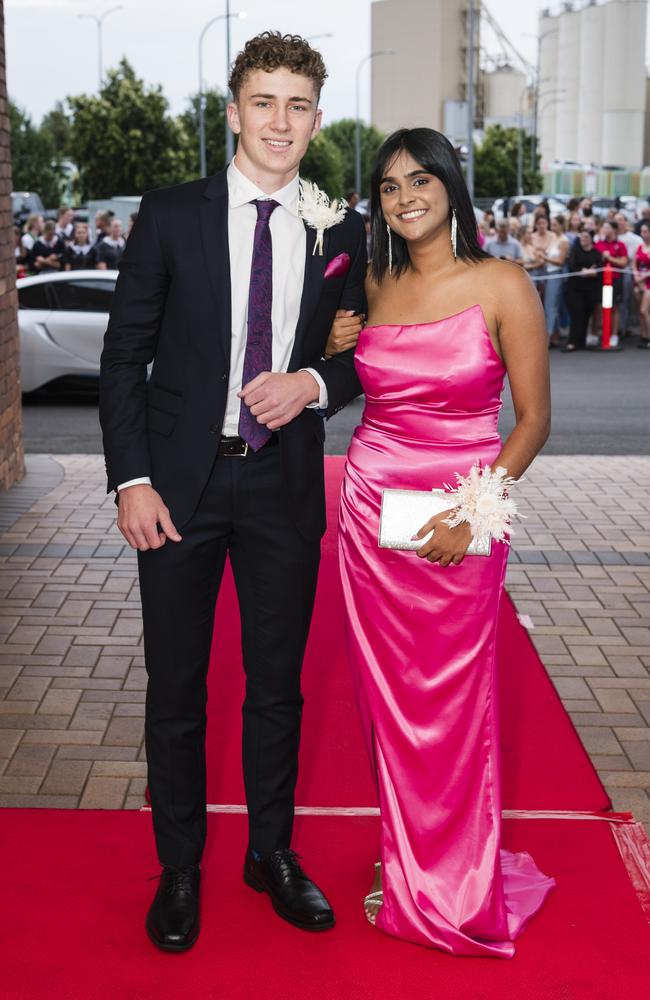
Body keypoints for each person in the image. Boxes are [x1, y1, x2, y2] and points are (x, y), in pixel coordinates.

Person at [99, 31, 366, 954]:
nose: (280, 121)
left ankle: (271, 853)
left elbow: (361, 355)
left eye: (297, 104)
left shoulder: (343, 229)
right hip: (177, 488)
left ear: (317, 119)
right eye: (264, 101)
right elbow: (122, 356)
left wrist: (314, 386)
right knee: (175, 689)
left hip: (282, 486)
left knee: (277, 688)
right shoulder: (171, 214)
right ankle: (180, 867)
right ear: (234, 113)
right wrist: (131, 479)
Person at [338, 127, 555, 957]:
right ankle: (406, 862)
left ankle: (456, 879)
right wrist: (331, 351)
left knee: (454, 702)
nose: (405, 198)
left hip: (464, 515)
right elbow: (336, 381)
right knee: (388, 709)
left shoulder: (502, 282)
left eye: (420, 180)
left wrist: (474, 511)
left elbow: (533, 422)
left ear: (450, 186)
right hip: (371, 516)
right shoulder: (370, 285)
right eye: (389, 188)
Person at [562, 228, 602, 352]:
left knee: (586, 315)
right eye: (582, 237)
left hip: (590, 289)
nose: (584, 239)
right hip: (575, 289)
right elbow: (572, 267)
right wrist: (584, 271)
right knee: (577, 314)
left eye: (586, 237)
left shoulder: (596, 253)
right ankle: (572, 342)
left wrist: (591, 272)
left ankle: (582, 341)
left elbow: (599, 269)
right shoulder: (574, 251)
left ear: (591, 239)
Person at [594, 220, 628, 344]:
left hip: (615, 280)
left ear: (614, 230)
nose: (605, 230)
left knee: (614, 307)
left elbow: (623, 262)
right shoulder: (598, 244)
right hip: (600, 280)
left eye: (608, 227)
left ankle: (614, 334)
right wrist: (602, 257)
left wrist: (610, 258)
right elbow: (595, 260)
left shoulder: (620, 245)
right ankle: (602, 332)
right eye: (604, 227)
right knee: (600, 307)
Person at [541, 215, 570, 347]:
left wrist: (545, 259)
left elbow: (560, 262)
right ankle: (555, 336)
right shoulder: (553, 237)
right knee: (550, 306)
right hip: (548, 273)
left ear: (561, 225)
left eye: (555, 224)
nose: (552, 227)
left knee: (550, 307)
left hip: (555, 275)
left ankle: (548, 336)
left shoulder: (564, 240)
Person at [614, 213, 642, 337]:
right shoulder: (610, 236)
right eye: (616, 220)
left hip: (626, 272)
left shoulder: (634, 239)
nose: (619, 223)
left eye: (621, 220)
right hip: (611, 274)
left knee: (624, 301)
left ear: (625, 222)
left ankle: (624, 327)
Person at [632, 221, 650, 349]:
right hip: (639, 282)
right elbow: (634, 263)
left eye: (645, 231)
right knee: (640, 311)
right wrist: (636, 275)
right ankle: (644, 335)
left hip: (648, 282)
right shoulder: (639, 247)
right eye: (642, 231)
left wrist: (643, 276)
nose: (643, 234)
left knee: (645, 310)